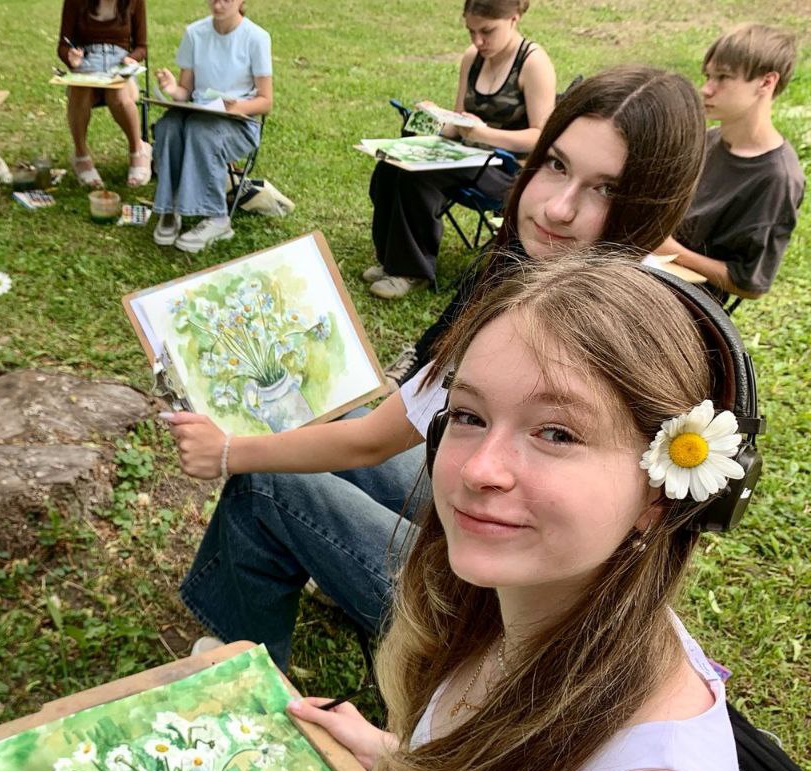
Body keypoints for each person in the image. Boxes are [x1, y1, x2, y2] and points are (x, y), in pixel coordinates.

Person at [164, 66, 705, 670]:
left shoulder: (591, 327)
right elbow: (407, 413)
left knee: (266, 484)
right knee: (343, 423)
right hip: (496, 534)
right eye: (556, 164)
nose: (559, 208)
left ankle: (244, 671)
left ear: (651, 208)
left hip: (494, 620)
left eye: (605, 189)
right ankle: (317, 555)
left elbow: (374, 442)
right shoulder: (540, 274)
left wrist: (229, 452)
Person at [290, 253, 751, 771]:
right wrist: (401, 761)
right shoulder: (516, 612)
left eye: (556, 432)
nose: (478, 469)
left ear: (661, 495)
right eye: (468, 416)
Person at [364, 0, 554, 300]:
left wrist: (484, 133)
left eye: (487, 31)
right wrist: (435, 119)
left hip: (510, 171)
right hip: (468, 156)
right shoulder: (472, 57)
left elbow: (542, 137)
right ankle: (390, 259)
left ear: (513, 19)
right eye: (471, 31)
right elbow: (458, 122)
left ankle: (411, 271)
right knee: (390, 164)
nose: (478, 41)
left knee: (418, 176)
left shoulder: (533, 63)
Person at [659, 23, 805, 302]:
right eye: (708, 76)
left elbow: (750, 284)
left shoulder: (777, 178)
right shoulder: (708, 139)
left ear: (766, 82)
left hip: (686, 305)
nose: (706, 89)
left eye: (723, 77)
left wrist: (674, 252)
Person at [151, 0, 271, 254]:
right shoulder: (194, 33)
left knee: (201, 130)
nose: (218, 4)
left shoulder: (256, 38)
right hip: (199, 113)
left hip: (239, 122)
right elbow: (186, 91)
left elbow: (265, 101)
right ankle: (170, 207)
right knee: (168, 126)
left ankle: (218, 218)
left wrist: (235, 107)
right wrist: (173, 89)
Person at [57, 0, 150, 188]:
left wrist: (131, 59)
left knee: (117, 93)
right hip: (87, 64)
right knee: (79, 89)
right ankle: (81, 155)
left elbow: (142, 47)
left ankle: (138, 149)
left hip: (120, 63)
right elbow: (63, 46)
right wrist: (70, 57)